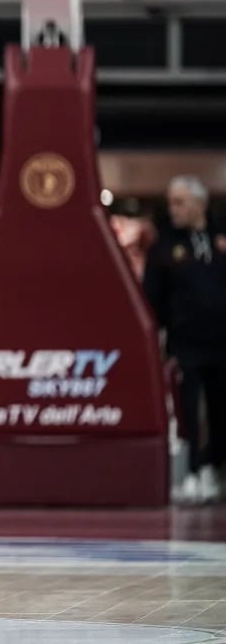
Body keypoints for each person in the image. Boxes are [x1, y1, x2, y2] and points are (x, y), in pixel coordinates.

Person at [143, 176, 226, 504]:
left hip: (222, 342)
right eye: (171, 202)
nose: (173, 209)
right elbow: (152, 297)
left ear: (200, 204)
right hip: (185, 343)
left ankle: (213, 466)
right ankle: (191, 472)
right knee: (188, 409)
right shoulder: (164, 247)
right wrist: (161, 338)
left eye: (180, 202)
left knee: (221, 407)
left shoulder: (220, 240)